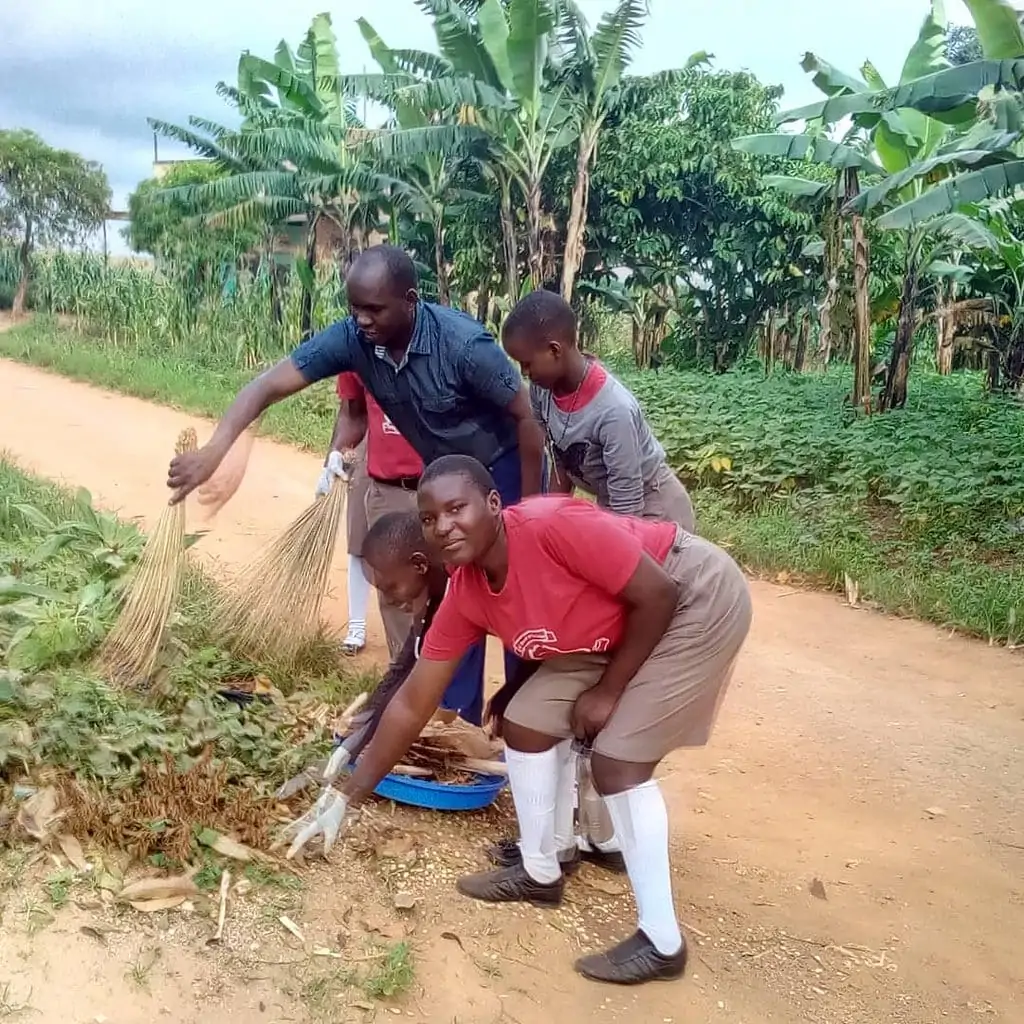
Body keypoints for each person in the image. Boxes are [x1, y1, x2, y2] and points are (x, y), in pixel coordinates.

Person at [286, 455, 753, 986]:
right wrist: (347, 796)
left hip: (690, 595)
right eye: (430, 517)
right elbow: (414, 702)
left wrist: (607, 691)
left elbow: (658, 595)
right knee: (526, 719)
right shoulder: (465, 592)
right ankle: (540, 870)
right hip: (619, 620)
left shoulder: (554, 526)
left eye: (456, 508)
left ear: (492, 505)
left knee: (617, 763)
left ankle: (662, 941)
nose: (444, 526)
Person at [167, 243, 546, 695]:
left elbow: (529, 419)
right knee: (454, 594)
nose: (362, 320)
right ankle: (456, 716)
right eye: (355, 308)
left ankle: (525, 708)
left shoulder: (463, 345)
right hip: (444, 475)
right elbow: (269, 384)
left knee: (514, 587)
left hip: (502, 467)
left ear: (410, 300)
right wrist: (215, 449)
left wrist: (531, 509)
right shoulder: (354, 339)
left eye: (374, 309)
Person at [502, 290, 695, 531]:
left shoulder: (614, 411)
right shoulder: (542, 391)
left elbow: (628, 506)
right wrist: (544, 522)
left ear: (554, 350)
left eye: (527, 364)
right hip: (613, 504)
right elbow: (560, 459)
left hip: (654, 508)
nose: (524, 373)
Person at [319, 372, 425, 656]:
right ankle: (364, 632)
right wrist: (337, 452)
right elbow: (351, 411)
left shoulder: (435, 346)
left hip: (431, 473)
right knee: (371, 551)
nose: (366, 324)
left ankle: (438, 668)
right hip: (378, 466)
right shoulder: (356, 348)